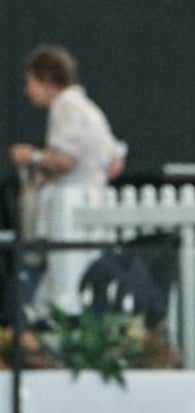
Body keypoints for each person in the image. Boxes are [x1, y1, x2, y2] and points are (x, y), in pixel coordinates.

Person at [8, 44, 127, 311]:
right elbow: (114, 163)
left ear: (48, 81)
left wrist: (31, 157)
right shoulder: (88, 108)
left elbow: (65, 160)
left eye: (31, 82)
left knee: (60, 287)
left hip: (68, 214)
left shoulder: (66, 107)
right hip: (91, 210)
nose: (27, 91)